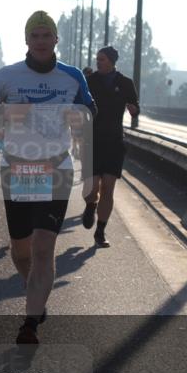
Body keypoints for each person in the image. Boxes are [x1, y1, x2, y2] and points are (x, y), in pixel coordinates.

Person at [0, 10, 95, 345]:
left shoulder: (72, 77)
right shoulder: (7, 75)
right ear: (27, 40)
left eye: (47, 35)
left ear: (56, 39)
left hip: (55, 168)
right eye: (36, 36)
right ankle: (35, 289)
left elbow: (90, 114)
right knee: (21, 251)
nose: (41, 41)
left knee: (44, 247)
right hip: (16, 169)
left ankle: (30, 322)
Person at [82, 47, 140, 247]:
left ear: (112, 61)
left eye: (102, 59)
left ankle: (100, 231)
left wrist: (133, 109)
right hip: (92, 141)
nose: (98, 62)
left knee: (108, 188)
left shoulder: (125, 83)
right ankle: (90, 205)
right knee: (91, 189)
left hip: (114, 141)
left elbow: (135, 108)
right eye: (97, 59)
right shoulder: (89, 82)